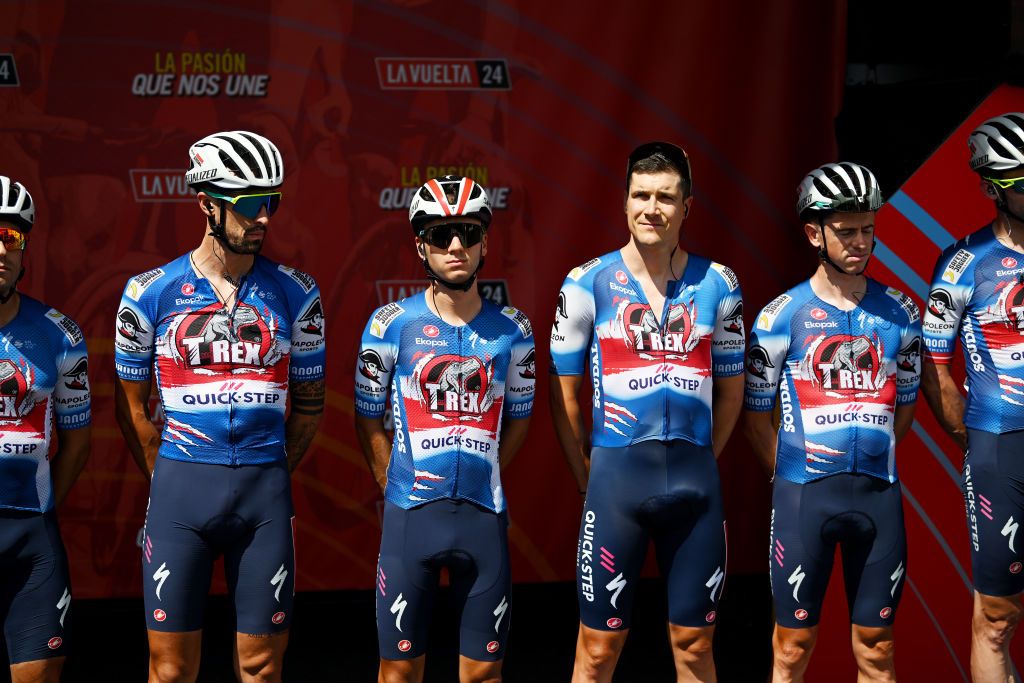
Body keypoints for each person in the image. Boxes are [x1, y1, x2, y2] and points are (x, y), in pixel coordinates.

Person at [113, 131, 325, 683]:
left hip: (265, 499)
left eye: (271, 202)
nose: (265, 218)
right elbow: (133, 409)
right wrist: (171, 478)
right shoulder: (149, 292)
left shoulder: (298, 293)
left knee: (260, 669)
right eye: (250, 204)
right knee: (170, 670)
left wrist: (268, 470)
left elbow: (309, 405)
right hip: (181, 494)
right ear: (207, 204)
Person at [549, 142, 746, 682]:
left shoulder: (720, 284)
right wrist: (588, 476)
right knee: (596, 650)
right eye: (640, 195)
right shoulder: (585, 282)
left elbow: (732, 392)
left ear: (688, 206)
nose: (650, 208)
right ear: (624, 201)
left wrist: (704, 458)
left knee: (695, 646)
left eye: (665, 196)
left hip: (695, 487)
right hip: (615, 487)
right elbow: (563, 394)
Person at [354, 175, 534, 683]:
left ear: (485, 241)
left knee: (482, 676)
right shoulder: (389, 325)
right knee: (399, 675)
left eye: (468, 232)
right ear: (420, 246)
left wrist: (487, 473)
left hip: (484, 520)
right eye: (440, 235)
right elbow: (367, 419)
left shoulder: (514, 330)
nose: (456, 245)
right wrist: (395, 485)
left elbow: (518, 422)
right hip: (411, 519)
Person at [745, 162, 920, 682]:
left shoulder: (901, 313)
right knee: (792, 649)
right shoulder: (780, 316)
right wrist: (792, 478)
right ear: (813, 233)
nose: (860, 242)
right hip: (804, 499)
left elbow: (903, 411)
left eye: (867, 229)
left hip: (878, 497)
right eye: (846, 231)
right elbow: (758, 420)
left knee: (876, 649)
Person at [920, 112, 1024, 682]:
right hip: (1000, 449)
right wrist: (976, 438)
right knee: (996, 619)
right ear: (992, 189)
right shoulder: (962, 264)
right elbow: (935, 367)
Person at [0, 176, 90, 683]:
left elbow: (77, 442)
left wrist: (41, 503)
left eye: (12, 237)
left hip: (31, 536)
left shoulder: (60, 333)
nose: (1, 249)